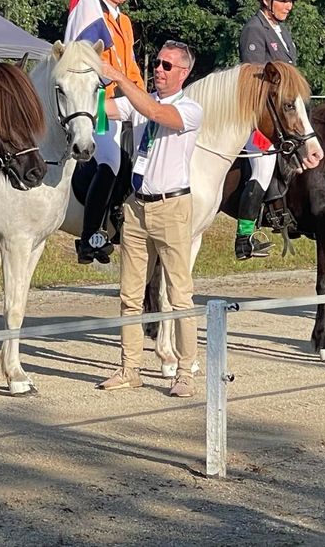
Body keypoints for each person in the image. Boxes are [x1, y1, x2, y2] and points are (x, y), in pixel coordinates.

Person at [95, 40, 202, 398]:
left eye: (167, 66)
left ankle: (185, 371)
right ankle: (130, 368)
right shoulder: (138, 102)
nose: (158, 69)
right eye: (157, 63)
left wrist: (120, 77)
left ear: (184, 73)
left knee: (179, 295)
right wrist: (84, 83)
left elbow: (156, 114)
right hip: (136, 206)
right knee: (129, 294)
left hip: (172, 208)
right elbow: (104, 108)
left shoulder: (189, 109)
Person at [76, 0, 146, 264]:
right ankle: (89, 237)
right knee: (110, 160)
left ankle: (119, 216)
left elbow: (130, 66)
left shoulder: (125, 22)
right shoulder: (92, 18)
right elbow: (94, 65)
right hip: (100, 104)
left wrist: (143, 98)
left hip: (126, 101)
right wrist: (121, 94)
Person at [234, 0, 300, 261]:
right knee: (262, 170)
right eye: (283, 0)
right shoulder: (253, 30)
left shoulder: (281, 31)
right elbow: (255, 80)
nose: (289, 6)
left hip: (283, 115)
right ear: (266, 0)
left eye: (290, 1)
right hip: (259, 118)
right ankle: (243, 237)